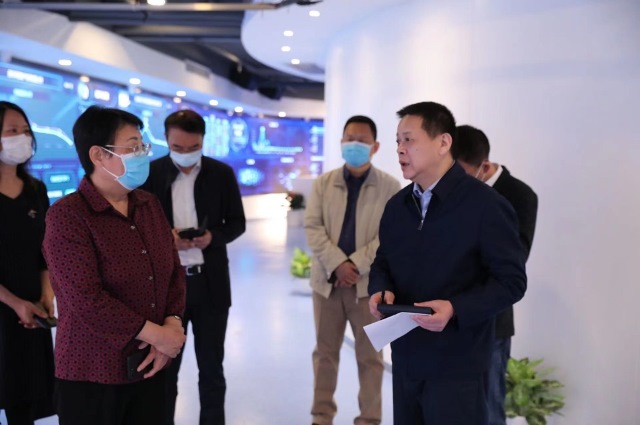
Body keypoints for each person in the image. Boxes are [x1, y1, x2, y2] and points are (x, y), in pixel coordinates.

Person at [368, 101, 527, 425]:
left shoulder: (486, 206)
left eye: (409, 140)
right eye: (397, 141)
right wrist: (380, 288)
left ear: (443, 142)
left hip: (459, 367)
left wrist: (456, 308)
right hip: (406, 359)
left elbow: (511, 282)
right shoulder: (398, 206)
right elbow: (384, 260)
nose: (400, 149)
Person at [42, 105, 186, 425]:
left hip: (151, 364)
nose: (142, 155)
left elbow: (173, 271)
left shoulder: (149, 204)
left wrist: (173, 323)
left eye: (143, 147)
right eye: (133, 148)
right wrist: (158, 336)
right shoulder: (68, 216)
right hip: (93, 372)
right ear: (98, 155)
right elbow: (85, 299)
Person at [141, 109, 246, 425]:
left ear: (202, 141)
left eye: (193, 148)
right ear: (166, 140)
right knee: (164, 372)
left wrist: (212, 237)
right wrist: (166, 239)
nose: (185, 154)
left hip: (210, 285)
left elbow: (237, 222)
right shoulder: (150, 173)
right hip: (166, 290)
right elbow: (137, 227)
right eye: (178, 147)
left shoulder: (221, 174)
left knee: (212, 369)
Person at [304, 115, 400, 425]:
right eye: (349, 139)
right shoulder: (324, 183)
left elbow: (389, 236)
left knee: (371, 358)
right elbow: (313, 227)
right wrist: (338, 264)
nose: (354, 145)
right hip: (327, 285)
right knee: (325, 354)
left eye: (361, 140)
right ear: (341, 142)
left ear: (375, 146)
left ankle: (369, 419)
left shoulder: (390, 186)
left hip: (367, 288)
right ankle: (321, 416)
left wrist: (355, 265)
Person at [451, 124, 538, 425]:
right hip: (448, 317)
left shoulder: (520, 196)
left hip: (490, 322)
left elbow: (513, 263)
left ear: (484, 166)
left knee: (488, 407)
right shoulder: (451, 192)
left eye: (460, 173)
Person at [0, 102, 55, 424]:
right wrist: (14, 303)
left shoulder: (35, 189)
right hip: (8, 306)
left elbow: (44, 249)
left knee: (26, 401)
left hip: (31, 312)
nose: (22, 137)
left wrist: (46, 295)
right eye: (11, 131)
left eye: (25, 131)